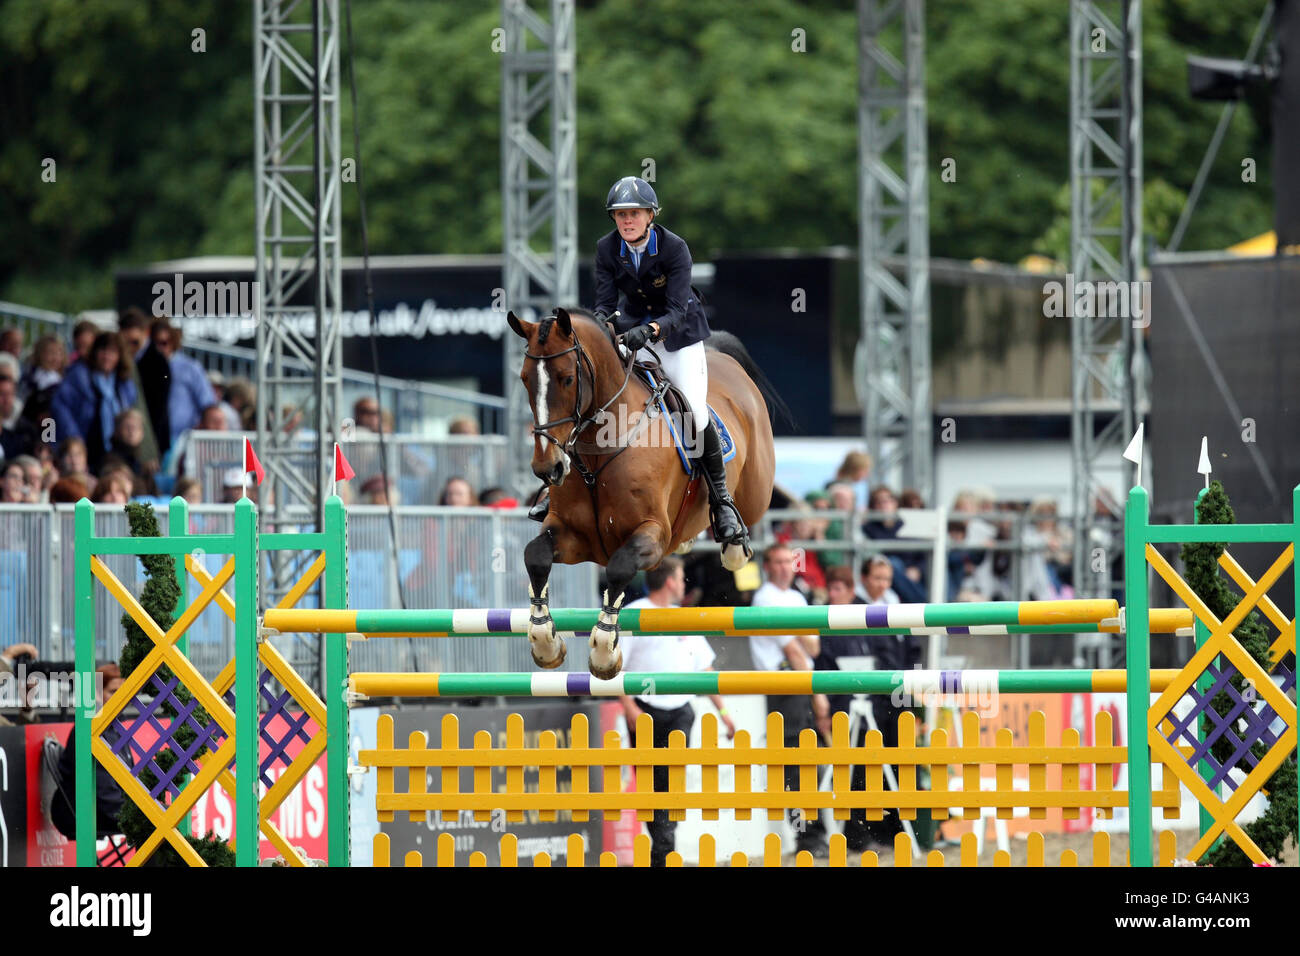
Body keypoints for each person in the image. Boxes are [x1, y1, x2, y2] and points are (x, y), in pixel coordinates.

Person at [528, 176, 748, 556]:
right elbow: (602, 302)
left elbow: (677, 309)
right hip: (630, 333)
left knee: (693, 413)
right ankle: (557, 491)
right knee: (591, 399)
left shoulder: (675, 248)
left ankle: (722, 502)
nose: (626, 220)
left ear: (650, 215)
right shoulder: (606, 248)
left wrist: (648, 331)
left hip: (678, 338)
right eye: (620, 215)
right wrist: (603, 327)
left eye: (633, 214)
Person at [618, 555, 736, 866]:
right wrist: (629, 707)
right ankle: (664, 850)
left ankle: (664, 851)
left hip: (680, 709)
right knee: (651, 783)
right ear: (670, 581)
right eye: (681, 577)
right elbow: (614, 669)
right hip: (646, 711)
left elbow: (705, 669)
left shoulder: (682, 616)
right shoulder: (633, 614)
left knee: (670, 782)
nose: (683, 583)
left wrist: (724, 713)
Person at [748, 543, 830, 857]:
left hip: (797, 682)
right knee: (798, 766)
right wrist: (817, 694)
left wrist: (799, 638)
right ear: (767, 566)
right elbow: (796, 650)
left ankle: (810, 836)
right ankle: (807, 839)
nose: (784, 567)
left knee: (807, 763)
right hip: (783, 686)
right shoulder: (766, 598)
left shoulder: (795, 598)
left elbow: (812, 647)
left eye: (787, 561)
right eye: (777, 562)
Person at [50, 664, 127, 839]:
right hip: (84, 814)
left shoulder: (114, 728)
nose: (121, 698)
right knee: (158, 824)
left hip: (99, 809)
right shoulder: (90, 730)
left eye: (124, 692)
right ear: (97, 694)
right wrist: (134, 815)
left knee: (162, 820)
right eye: (113, 692)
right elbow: (102, 791)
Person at [50, 332, 138, 473]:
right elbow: (61, 410)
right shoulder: (78, 376)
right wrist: (76, 443)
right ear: (95, 352)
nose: (107, 356)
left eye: (112, 352)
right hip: (84, 447)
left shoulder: (123, 384)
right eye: (103, 350)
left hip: (114, 454)